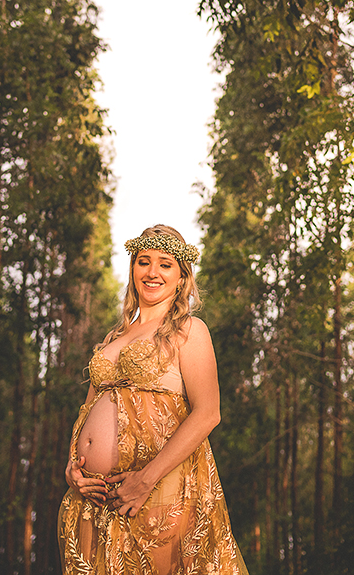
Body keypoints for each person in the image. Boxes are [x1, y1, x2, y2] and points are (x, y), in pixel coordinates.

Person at [57, 225, 248, 575]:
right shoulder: (112, 338)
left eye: (165, 264)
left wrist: (145, 480)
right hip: (93, 501)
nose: (152, 272)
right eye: (143, 261)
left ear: (182, 277)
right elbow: (87, 411)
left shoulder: (188, 330)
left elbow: (208, 414)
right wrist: (73, 468)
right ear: (133, 270)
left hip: (158, 490)